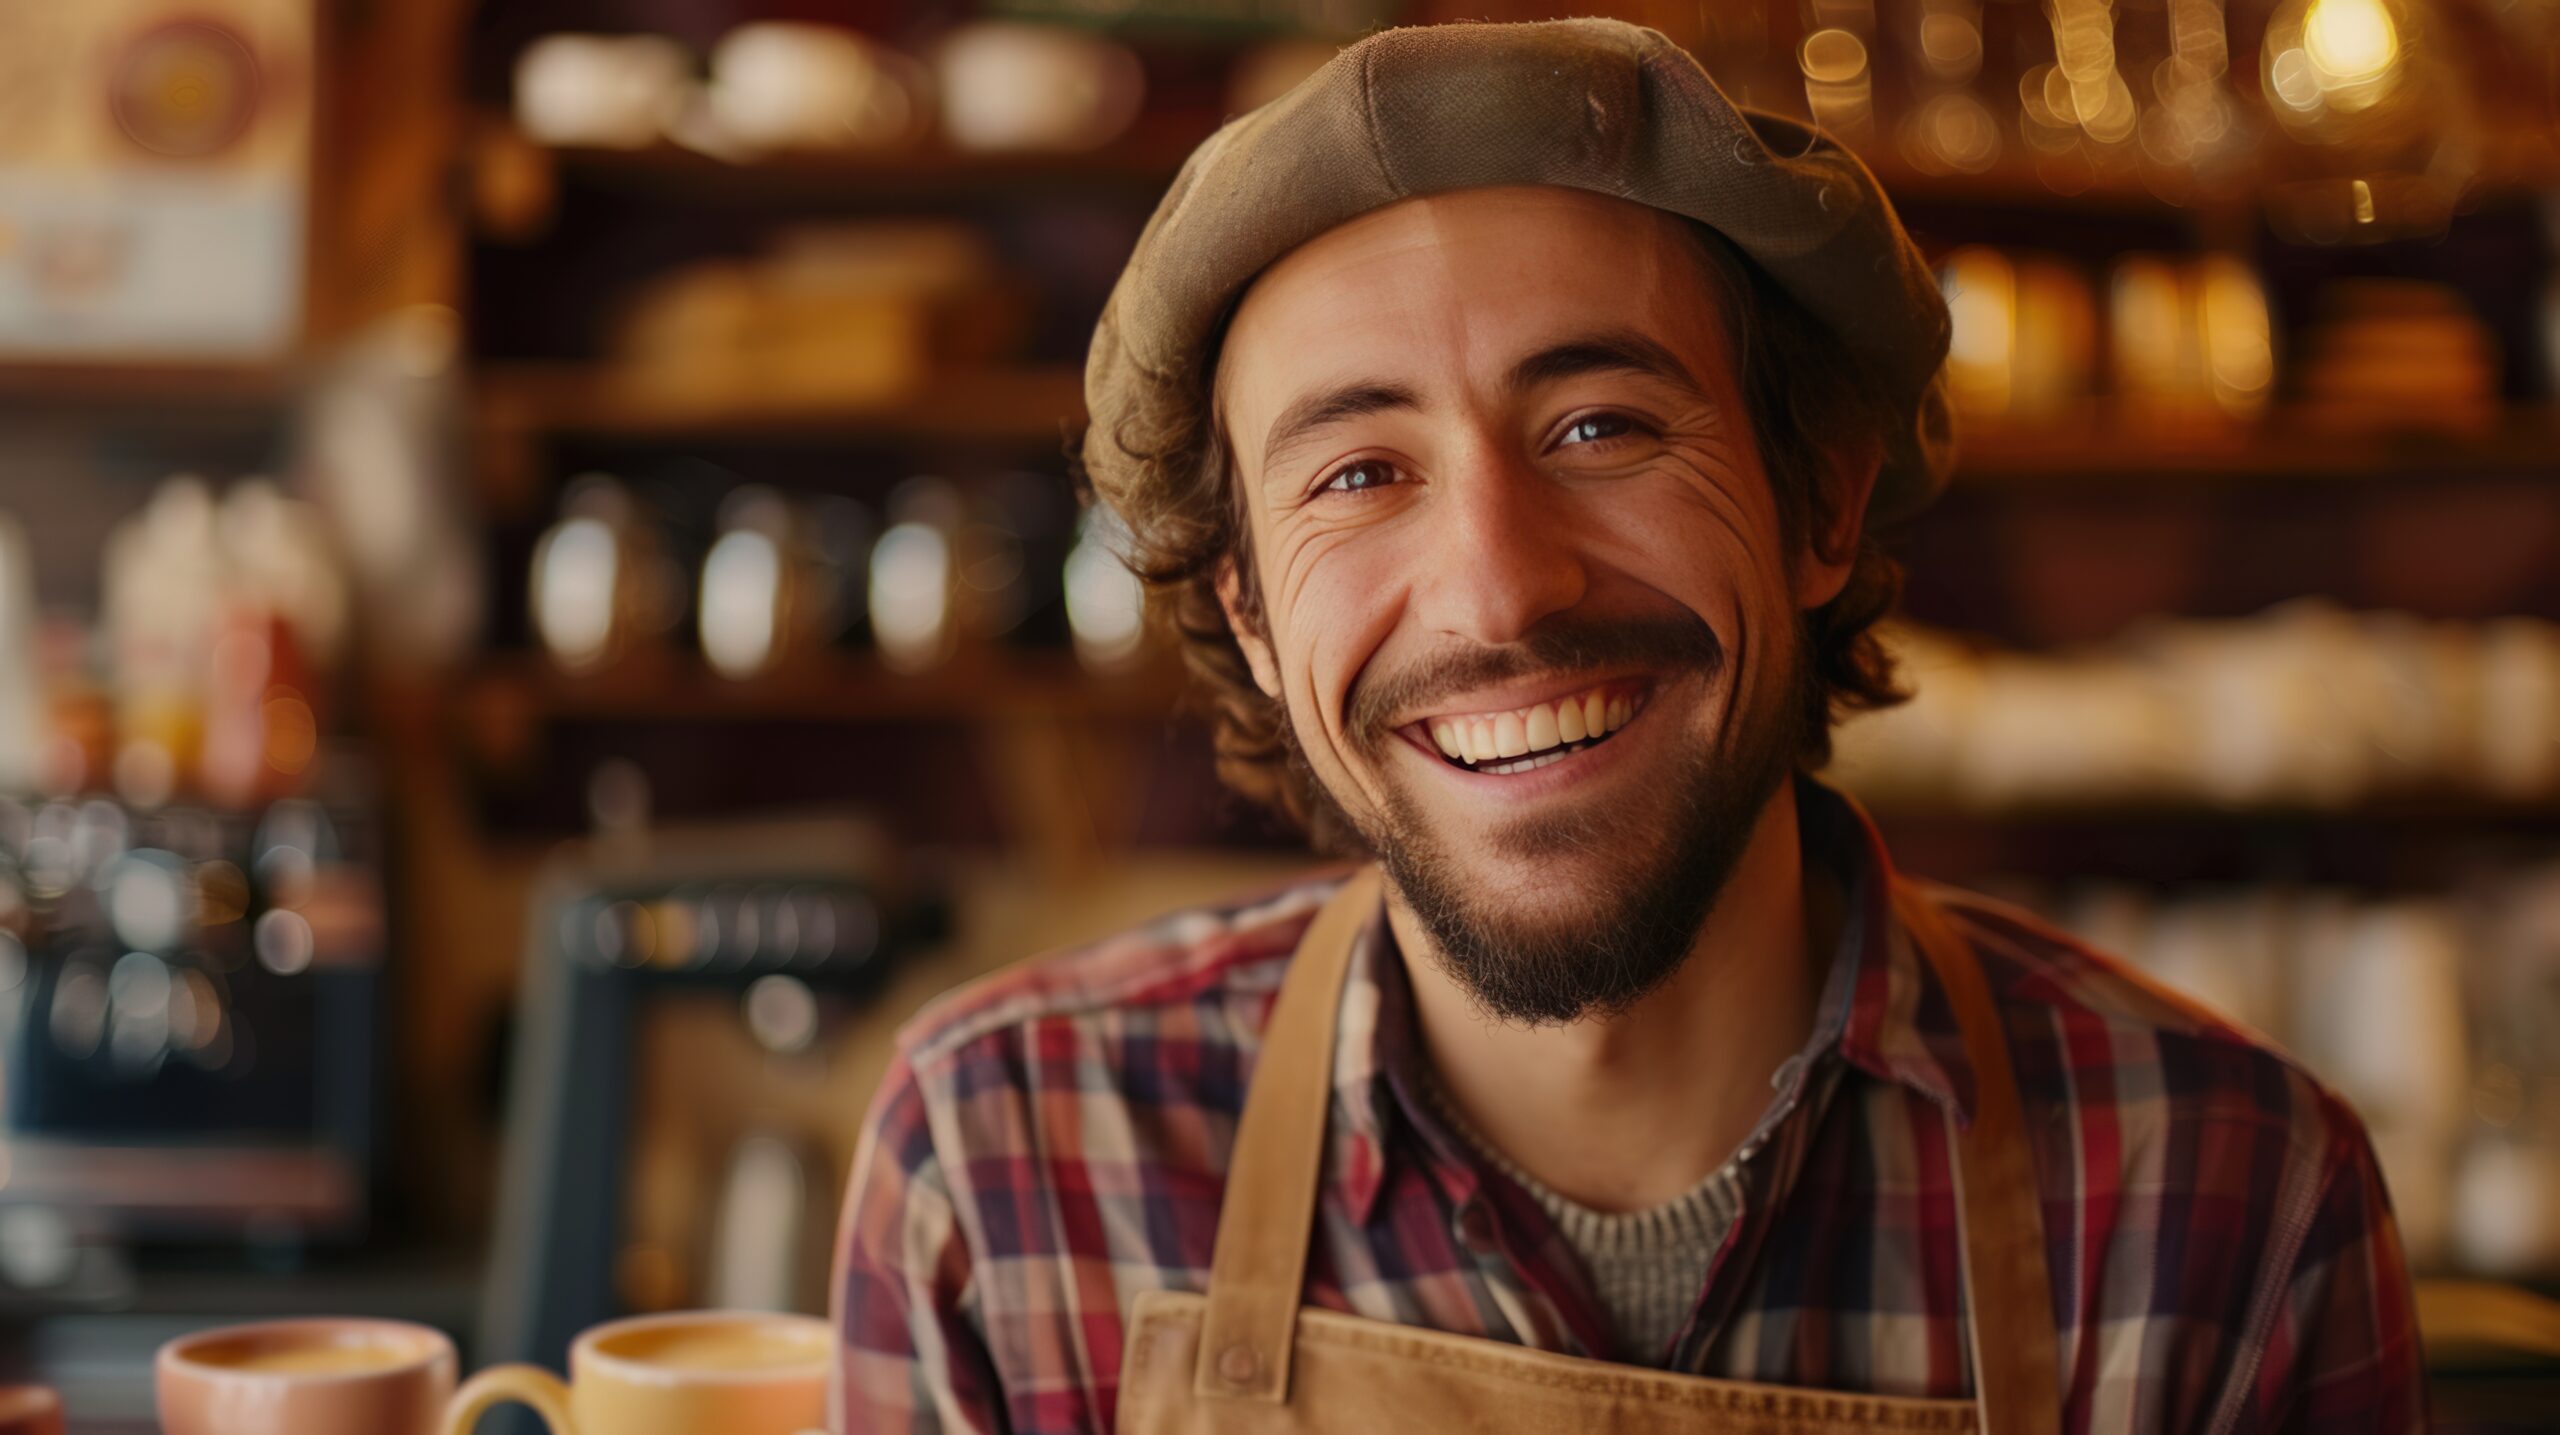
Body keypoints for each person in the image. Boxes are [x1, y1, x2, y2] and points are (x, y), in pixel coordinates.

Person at [830, 18, 2423, 1434]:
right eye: (1359, 473)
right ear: (1250, 611)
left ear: (1819, 502)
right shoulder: (1001, 1163)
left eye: (1601, 425)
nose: (1501, 591)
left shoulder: (2232, 1204)